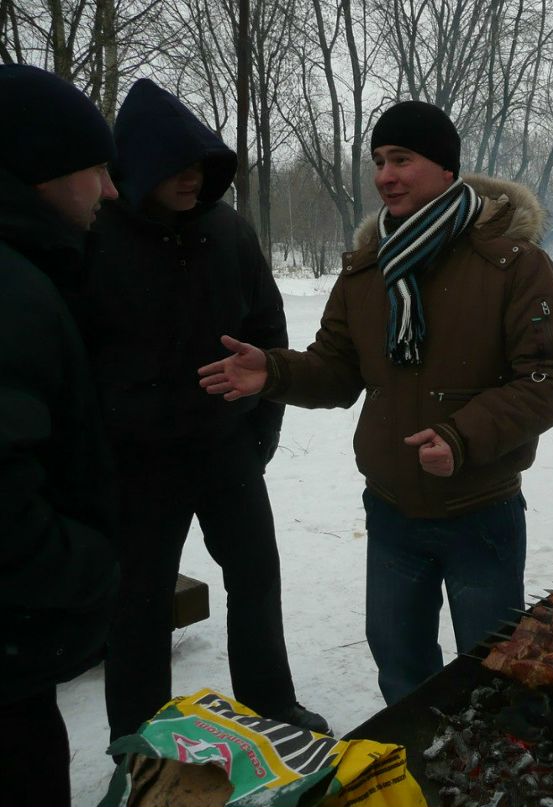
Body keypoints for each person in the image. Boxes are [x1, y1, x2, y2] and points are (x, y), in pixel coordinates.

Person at [198, 100, 553, 705]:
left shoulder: (512, 263)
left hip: (480, 512)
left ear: (446, 168)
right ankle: (415, 760)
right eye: (379, 161)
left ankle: (487, 761)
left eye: (402, 159)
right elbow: (337, 370)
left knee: (491, 673)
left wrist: (461, 437)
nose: (385, 175)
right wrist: (273, 371)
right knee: (401, 668)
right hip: (391, 512)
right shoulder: (367, 271)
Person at [83, 78, 328, 740]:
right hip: (137, 464)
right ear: (141, 165)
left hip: (225, 449)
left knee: (256, 578)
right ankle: (139, 739)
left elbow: (269, 332)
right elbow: (73, 359)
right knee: (139, 604)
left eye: (200, 165)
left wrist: (260, 435)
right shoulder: (97, 236)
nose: (192, 177)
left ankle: (272, 705)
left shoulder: (228, 231)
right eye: (177, 166)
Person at [0, 64, 121, 807]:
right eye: (95, 169)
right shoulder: (11, 291)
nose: (111, 190)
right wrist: (94, 564)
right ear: (42, 169)